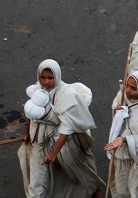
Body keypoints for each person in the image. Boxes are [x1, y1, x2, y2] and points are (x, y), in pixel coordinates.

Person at [19, 59, 104, 198]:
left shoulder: (67, 95)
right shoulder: (38, 90)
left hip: (63, 144)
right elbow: (31, 112)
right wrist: (27, 131)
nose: (46, 82)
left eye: (50, 78)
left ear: (57, 76)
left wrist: (53, 153)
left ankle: (94, 190)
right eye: (43, 77)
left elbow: (67, 128)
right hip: (39, 145)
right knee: (36, 185)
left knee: (77, 174)